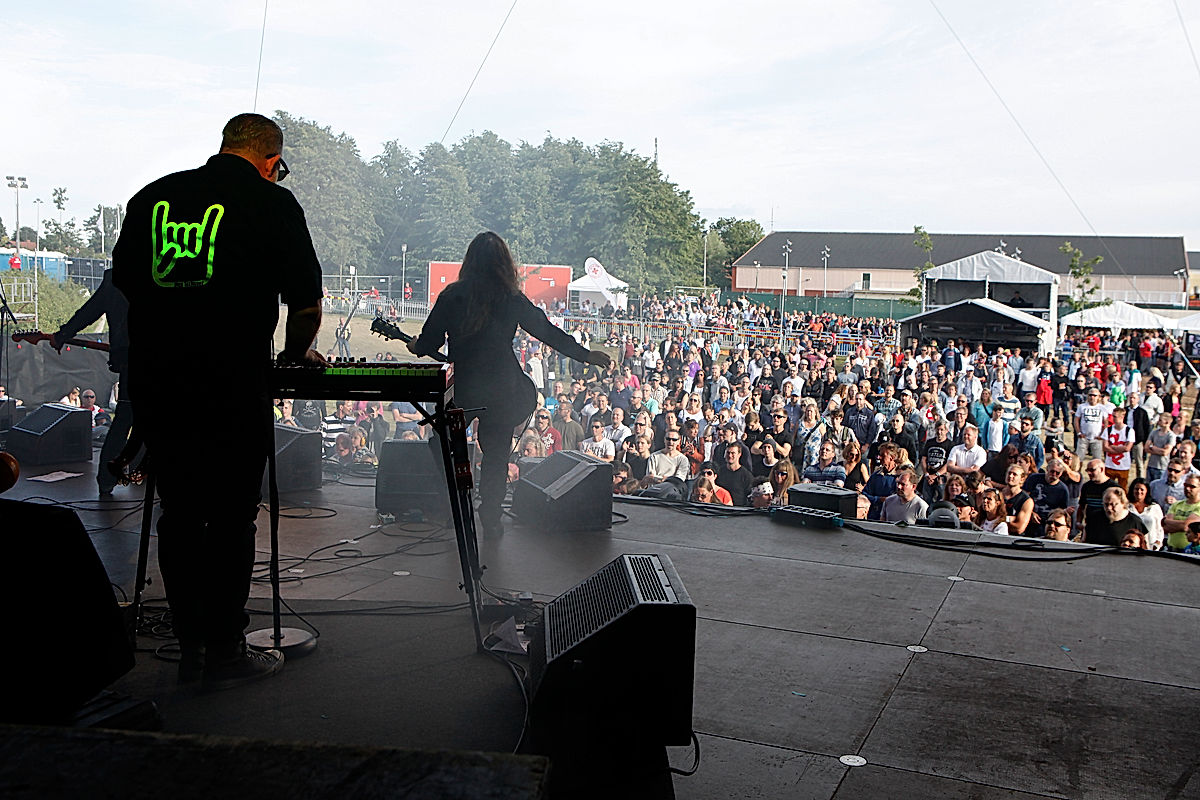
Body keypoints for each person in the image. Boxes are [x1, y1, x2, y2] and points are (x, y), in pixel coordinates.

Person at [112, 113, 324, 688]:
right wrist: (295, 353)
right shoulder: (274, 205)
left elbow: (126, 281)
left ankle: (190, 648)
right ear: (269, 160)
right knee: (231, 514)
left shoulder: (153, 197)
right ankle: (226, 649)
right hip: (233, 379)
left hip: (160, 379)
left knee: (178, 514)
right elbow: (306, 304)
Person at [409, 232, 609, 536]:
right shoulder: (510, 297)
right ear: (504, 262)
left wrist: (416, 345)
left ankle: (456, 502)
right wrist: (585, 355)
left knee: (442, 443)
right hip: (503, 388)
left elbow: (429, 342)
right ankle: (490, 517)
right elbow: (546, 331)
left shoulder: (452, 295)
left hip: (466, 386)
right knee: (497, 454)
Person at [49, 268, 131, 496]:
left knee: (124, 418)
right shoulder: (165, 276)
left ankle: (107, 479)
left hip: (130, 360)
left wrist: (63, 334)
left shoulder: (115, 279)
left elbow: (89, 312)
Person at [1127, 477, 1164, 550]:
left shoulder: (1154, 507)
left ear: (1147, 491)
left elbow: (1160, 528)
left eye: (1142, 489)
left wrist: (1158, 542)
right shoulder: (1126, 506)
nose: (1139, 492)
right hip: (1131, 545)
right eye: (1136, 489)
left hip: (1150, 546)